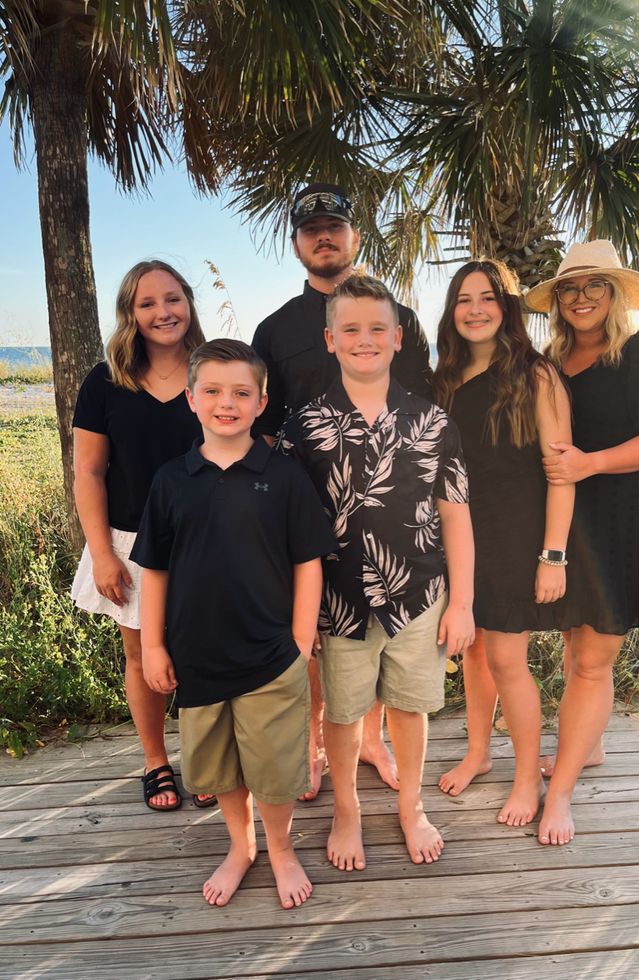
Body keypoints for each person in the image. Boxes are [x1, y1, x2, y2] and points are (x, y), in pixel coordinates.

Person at [131, 339, 336, 908]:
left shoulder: (285, 476)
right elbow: (154, 570)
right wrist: (153, 646)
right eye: (214, 391)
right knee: (221, 770)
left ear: (261, 400)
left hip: (272, 657)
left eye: (241, 392)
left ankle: (281, 847)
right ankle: (241, 846)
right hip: (198, 658)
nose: (228, 402)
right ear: (191, 399)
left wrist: (300, 641)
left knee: (273, 772)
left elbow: (307, 562)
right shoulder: (172, 480)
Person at [280, 274, 476, 870]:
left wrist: (463, 603)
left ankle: (411, 806)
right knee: (341, 714)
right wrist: (296, 611)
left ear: (396, 337)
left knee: (411, 709)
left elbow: (456, 515)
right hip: (336, 605)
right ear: (330, 339)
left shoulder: (434, 422)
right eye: (350, 330)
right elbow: (286, 527)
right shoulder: (303, 426)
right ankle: (347, 811)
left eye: (376, 329)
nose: (364, 339)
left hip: (419, 597)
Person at [252, 182, 433, 798]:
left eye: (334, 225)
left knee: (377, 632)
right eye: (310, 229)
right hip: (306, 513)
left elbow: (422, 412)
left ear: (355, 235)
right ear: (298, 244)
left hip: (388, 510)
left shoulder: (399, 318)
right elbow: (261, 422)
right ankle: (315, 746)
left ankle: (372, 742)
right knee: (315, 637)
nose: (323, 236)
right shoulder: (274, 329)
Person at [524, 239, 639, 845]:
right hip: (566, 521)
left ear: (615, 294)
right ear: (557, 300)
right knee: (575, 648)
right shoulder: (549, 360)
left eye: (596, 285)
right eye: (570, 288)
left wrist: (591, 464)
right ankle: (586, 749)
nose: (582, 297)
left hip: (618, 518)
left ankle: (561, 793)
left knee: (593, 661)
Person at [72, 259, 217, 811]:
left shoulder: (211, 370)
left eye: (173, 298)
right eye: (148, 303)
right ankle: (157, 763)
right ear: (130, 314)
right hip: (130, 541)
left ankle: (203, 759)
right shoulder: (105, 381)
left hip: (207, 540)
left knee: (202, 655)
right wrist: (104, 553)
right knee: (140, 656)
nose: (163, 312)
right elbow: (88, 471)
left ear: (189, 303)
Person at [433, 260, 574, 825]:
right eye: (464, 299)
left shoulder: (536, 375)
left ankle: (525, 780)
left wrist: (553, 555)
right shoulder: (443, 379)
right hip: (459, 537)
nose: (475, 309)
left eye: (487, 298)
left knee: (508, 658)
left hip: (518, 536)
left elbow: (560, 472)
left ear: (507, 307)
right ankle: (477, 753)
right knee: (473, 651)